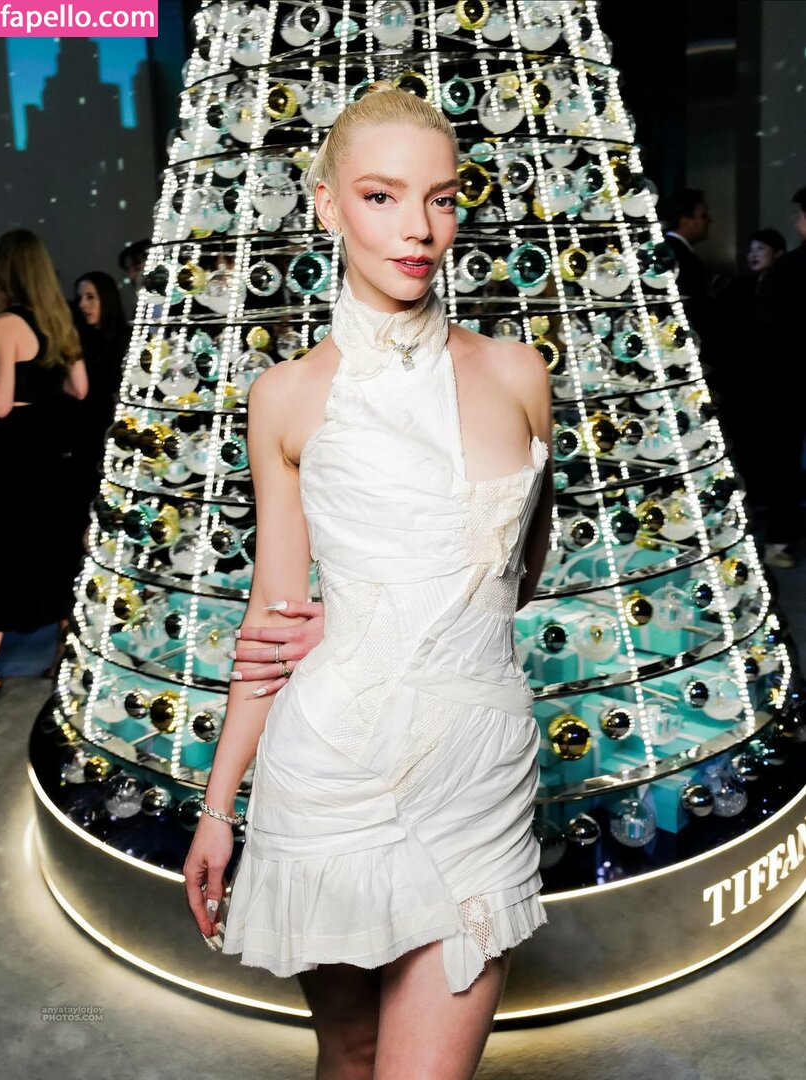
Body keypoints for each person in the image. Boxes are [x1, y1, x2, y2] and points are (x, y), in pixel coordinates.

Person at [183, 83, 554, 1079]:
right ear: (328, 204)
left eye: (440, 198)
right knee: (347, 1052)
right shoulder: (285, 395)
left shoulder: (520, 372)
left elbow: (514, 575)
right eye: (381, 196)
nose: (418, 228)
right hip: (327, 768)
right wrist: (219, 808)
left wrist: (391, 614)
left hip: (476, 771)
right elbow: (272, 615)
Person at [0, 229, 88, 705]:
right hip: (55, 458)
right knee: (56, 555)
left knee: (5, 559)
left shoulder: (5, 325)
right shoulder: (60, 320)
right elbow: (80, 389)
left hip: (13, 458)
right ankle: (63, 662)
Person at [713, 228, 786, 504]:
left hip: (769, 377)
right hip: (739, 376)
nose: (753, 255)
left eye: (761, 250)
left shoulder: (783, 288)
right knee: (742, 437)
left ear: (778, 255)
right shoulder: (739, 286)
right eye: (751, 250)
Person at [755, 187, 806, 569]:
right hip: (789, 379)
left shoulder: (788, 269)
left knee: (784, 462)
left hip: (789, 381)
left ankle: (780, 539)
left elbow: (764, 327)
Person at [70, 271, 130, 528]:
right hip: (83, 435)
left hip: (113, 434)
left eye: (90, 297)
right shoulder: (79, 340)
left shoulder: (126, 341)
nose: (83, 304)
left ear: (106, 298)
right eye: (80, 298)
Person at [663, 187, 713, 344]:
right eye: (703, 216)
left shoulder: (664, 248)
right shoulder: (683, 256)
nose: (709, 221)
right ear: (685, 221)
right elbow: (695, 307)